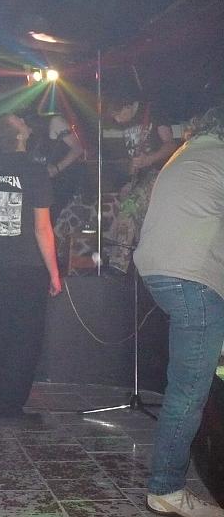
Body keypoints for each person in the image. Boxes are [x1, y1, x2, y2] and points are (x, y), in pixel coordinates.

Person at [133, 105, 224, 517]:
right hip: (192, 280)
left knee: (191, 380)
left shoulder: (187, 154)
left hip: (163, 273)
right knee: (187, 391)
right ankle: (166, 489)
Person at [0, 113, 62, 425]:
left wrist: (2, 241)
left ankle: (4, 400)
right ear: (18, 135)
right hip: (28, 267)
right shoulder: (33, 170)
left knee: (5, 336)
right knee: (26, 341)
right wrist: (54, 273)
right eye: (19, 121)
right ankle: (7, 410)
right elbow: (42, 228)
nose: (25, 121)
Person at [106, 97, 177, 273]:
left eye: (118, 114)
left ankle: (117, 266)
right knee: (132, 219)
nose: (117, 120)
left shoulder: (152, 112)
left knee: (130, 208)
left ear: (127, 106)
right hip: (139, 179)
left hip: (157, 175)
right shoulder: (126, 125)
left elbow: (171, 145)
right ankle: (140, 268)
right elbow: (133, 160)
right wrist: (129, 178)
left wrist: (149, 159)